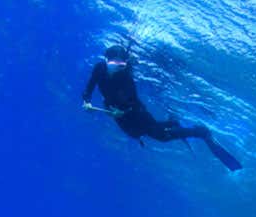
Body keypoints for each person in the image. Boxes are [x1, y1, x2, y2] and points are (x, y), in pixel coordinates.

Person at [82, 44, 242, 171]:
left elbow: (133, 100)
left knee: (161, 137)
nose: (117, 67)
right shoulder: (99, 68)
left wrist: (123, 111)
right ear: (106, 60)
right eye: (113, 63)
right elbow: (89, 86)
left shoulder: (126, 77)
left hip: (136, 113)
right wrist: (86, 101)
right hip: (118, 113)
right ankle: (172, 122)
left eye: (121, 64)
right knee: (136, 133)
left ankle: (201, 132)